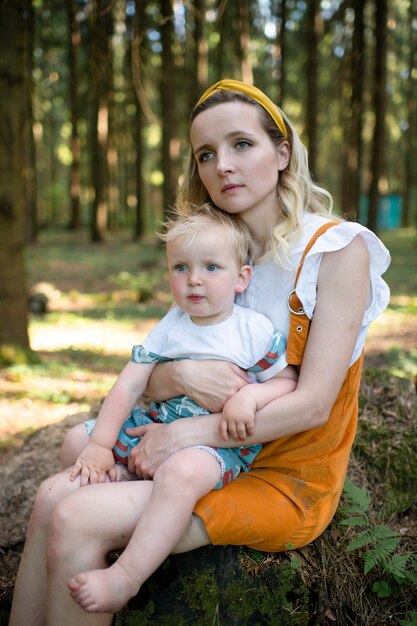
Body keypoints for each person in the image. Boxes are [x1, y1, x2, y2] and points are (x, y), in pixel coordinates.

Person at [9, 79, 390, 626]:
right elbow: (160, 370)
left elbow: (312, 405)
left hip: (278, 470)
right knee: (49, 499)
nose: (223, 166)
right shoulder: (212, 247)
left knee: (74, 516)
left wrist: (183, 434)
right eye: (206, 154)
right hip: (194, 445)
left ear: (282, 153)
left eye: (242, 144)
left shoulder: (335, 249)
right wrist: (181, 377)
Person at [65, 204, 297, 612]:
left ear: (242, 278)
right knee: (74, 442)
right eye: (181, 268)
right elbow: (130, 382)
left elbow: (287, 381)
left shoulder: (251, 329)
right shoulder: (172, 323)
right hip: (157, 424)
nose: (194, 280)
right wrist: (101, 444)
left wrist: (250, 396)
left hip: (215, 445)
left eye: (211, 268)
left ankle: (126, 577)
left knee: (181, 472)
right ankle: (124, 477)